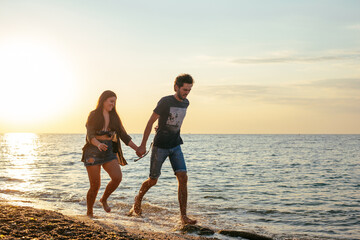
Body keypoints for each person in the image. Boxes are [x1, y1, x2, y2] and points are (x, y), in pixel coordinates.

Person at [129, 74, 197, 225]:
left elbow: (172, 122)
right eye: (185, 89)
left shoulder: (186, 103)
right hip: (160, 146)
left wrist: (162, 126)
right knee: (153, 180)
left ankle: (184, 216)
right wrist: (142, 145)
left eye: (189, 90)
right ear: (176, 87)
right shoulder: (165, 101)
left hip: (175, 145)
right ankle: (137, 201)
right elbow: (150, 122)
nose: (187, 92)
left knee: (183, 177)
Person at [81, 90, 138, 218]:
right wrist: (98, 144)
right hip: (93, 150)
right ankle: (89, 212)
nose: (113, 104)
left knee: (117, 177)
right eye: (111, 101)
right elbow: (90, 135)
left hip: (109, 150)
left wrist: (137, 148)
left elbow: (124, 136)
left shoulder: (114, 117)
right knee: (95, 185)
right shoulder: (94, 115)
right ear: (103, 100)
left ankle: (104, 199)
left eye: (114, 102)